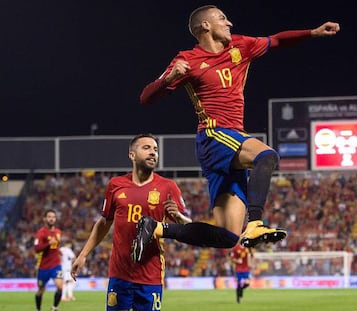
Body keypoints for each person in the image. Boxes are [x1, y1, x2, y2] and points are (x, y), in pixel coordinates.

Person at [133, 5, 340, 258]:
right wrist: (168, 79)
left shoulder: (241, 46)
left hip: (231, 142)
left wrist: (313, 32)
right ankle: (255, 223)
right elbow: (146, 98)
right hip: (214, 136)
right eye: (222, 18)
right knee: (267, 156)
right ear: (205, 26)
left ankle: (156, 229)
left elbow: (276, 40)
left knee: (228, 236)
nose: (229, 23)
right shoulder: (186, 60)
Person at [71, 133, 191, 311]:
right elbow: (104, 223)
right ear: (132, 155)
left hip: (150, 276)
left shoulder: (168, 187)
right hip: (120, 275)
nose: (153, 153)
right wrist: (83, 254)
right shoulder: (115, 185)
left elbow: (189, 228)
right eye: (147, 148)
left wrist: (180, 218)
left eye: (156, 150)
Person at [34, 209, 63, 311]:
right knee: (41, 290)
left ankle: (54, 308)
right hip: (43, 267)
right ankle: (38, 309)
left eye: (53, 217)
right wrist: (48, 244)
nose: (51, 219)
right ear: (45, 219)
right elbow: (36, 249)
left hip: (56, 265)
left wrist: (59, 252)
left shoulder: (58, 232)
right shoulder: (41, 233)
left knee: (60, 287)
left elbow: (55, 246)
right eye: (49, 217)